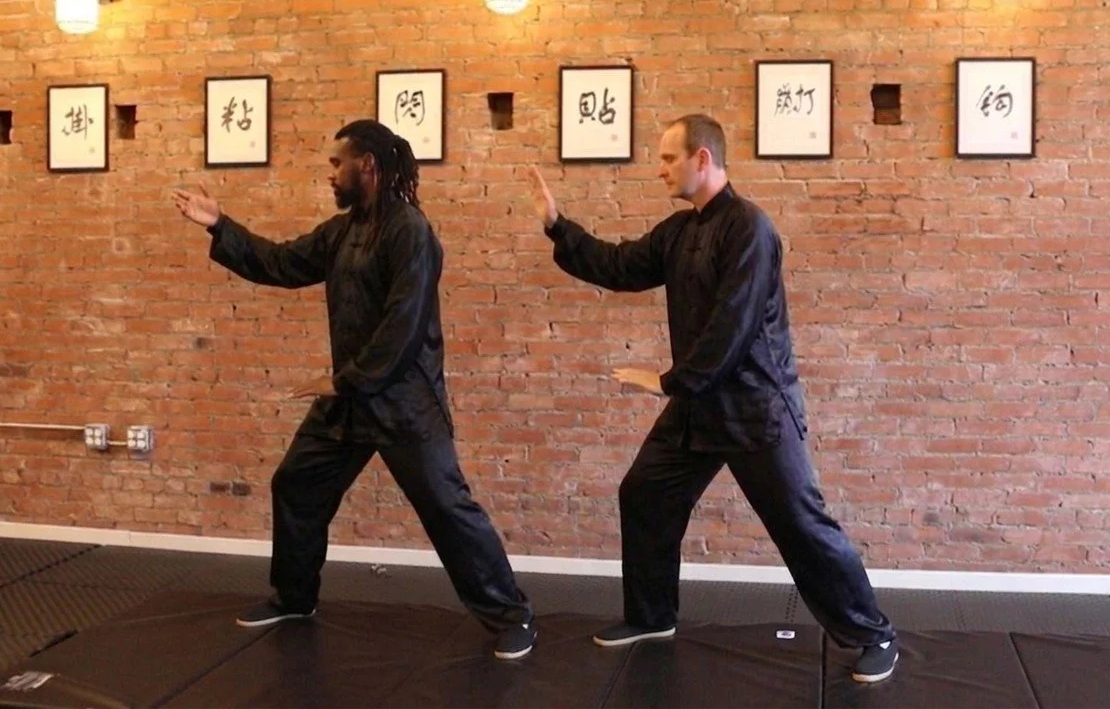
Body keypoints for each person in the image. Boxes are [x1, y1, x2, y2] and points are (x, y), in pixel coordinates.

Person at [526, 114, 899, 683]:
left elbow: (734, 326)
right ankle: (651, 615)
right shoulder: (680, 231)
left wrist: (669, 382)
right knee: (645, 492)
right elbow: (620, 265)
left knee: (802, 525)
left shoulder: (750, 228)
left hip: (755, 408)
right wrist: (559, 227)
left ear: (703, 159)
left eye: (669, 158)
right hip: (700, 405)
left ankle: (874, 634)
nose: (660, 169)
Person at [172, 119, 536, 660]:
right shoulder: (341, 233)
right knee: (297, 484)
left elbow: (404, 325)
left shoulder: (410, 231)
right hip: (349, 399)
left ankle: (512, 616)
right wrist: (220, 225)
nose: (329, 175)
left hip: (404, 402)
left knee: (446, 506)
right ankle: (294, 597)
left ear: (366, 165)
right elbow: (281, 262)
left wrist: (344, 381)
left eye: (335, 164)